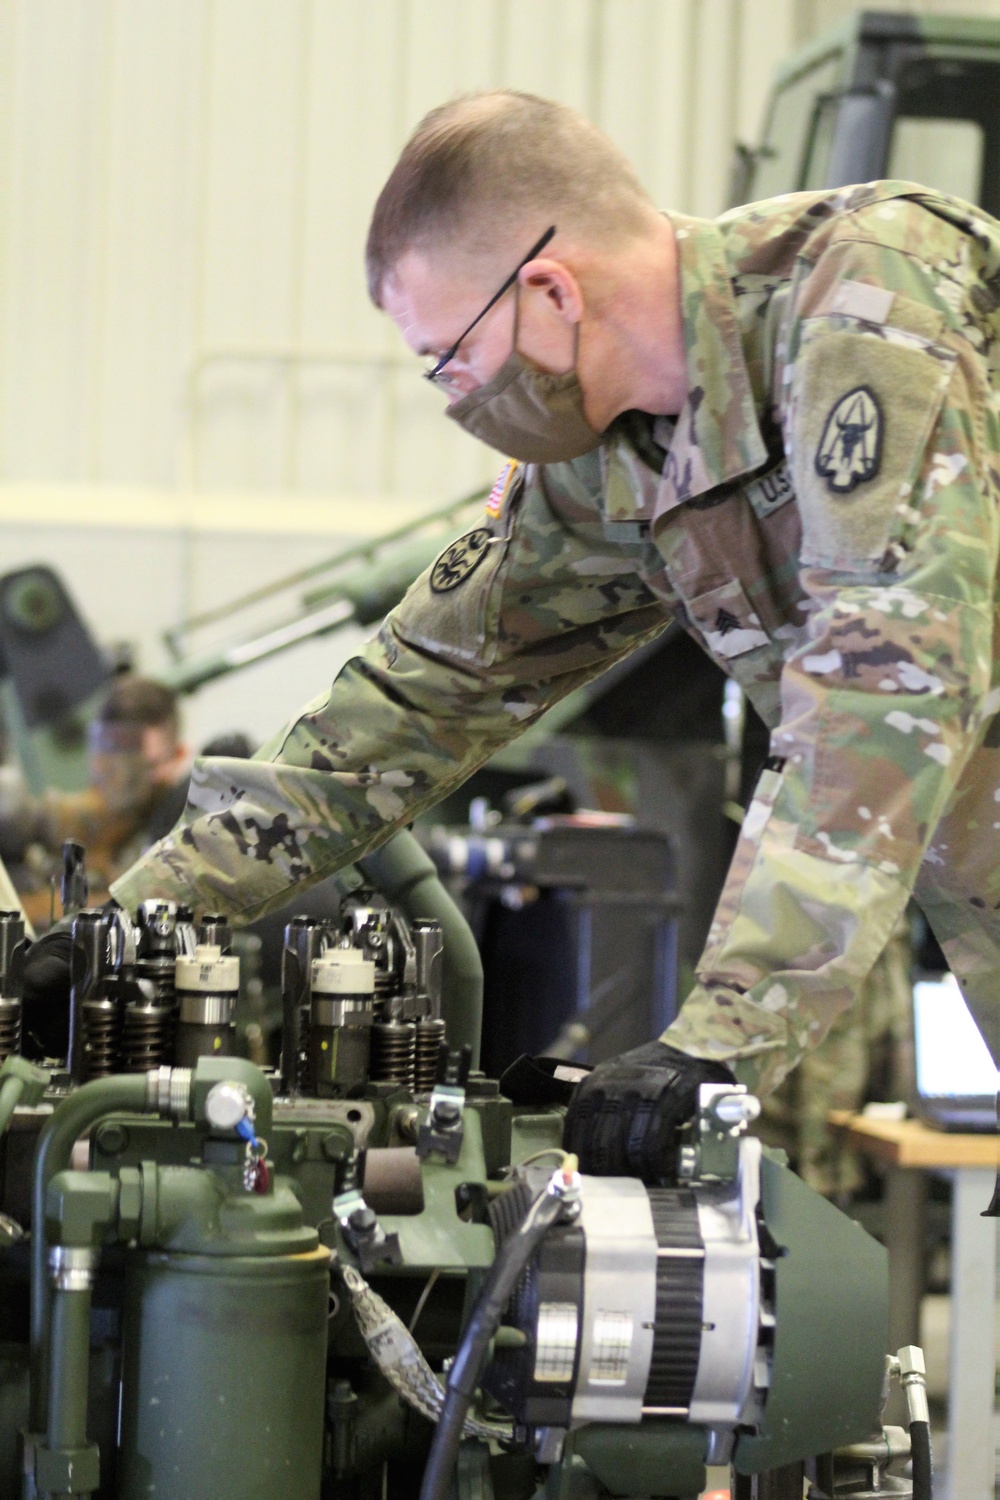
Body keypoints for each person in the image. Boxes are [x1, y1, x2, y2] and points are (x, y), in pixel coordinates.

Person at [37, 91, 1000, 1191]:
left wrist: (719, 1037)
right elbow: (416, 696)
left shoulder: (866, 296)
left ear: (546, 288)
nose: (457, 398)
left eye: (451, 359)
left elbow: (884, 689)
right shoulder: (613, 463)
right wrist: (140, 918)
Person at [0, 674, 190, 924]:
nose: (120, 779)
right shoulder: (83, 820)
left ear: (178, 756)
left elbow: (154, 907)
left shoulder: (178, 827)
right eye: (108, 755)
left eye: (142, 764)